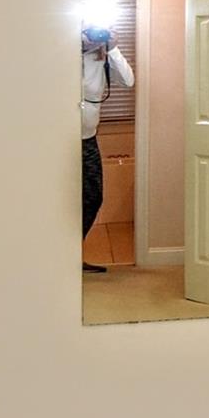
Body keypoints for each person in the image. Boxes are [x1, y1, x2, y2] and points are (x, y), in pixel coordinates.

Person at [80, 23, 134, 273]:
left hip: (87, 139)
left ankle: (72, 253)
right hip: (54, 141)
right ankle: (57, 257)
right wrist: (79, 49)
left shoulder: (102, 54)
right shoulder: (61, 50)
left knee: (92, 197)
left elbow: (128, 81)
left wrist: (111, 49)